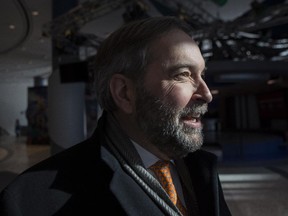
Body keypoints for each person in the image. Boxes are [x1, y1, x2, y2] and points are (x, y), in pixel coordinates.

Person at [0, 16, 231, 216]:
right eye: (183, 74)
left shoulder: (201, 170)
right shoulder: (30, 201)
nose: (207, 94)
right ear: (124, 93)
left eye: (202, 74)